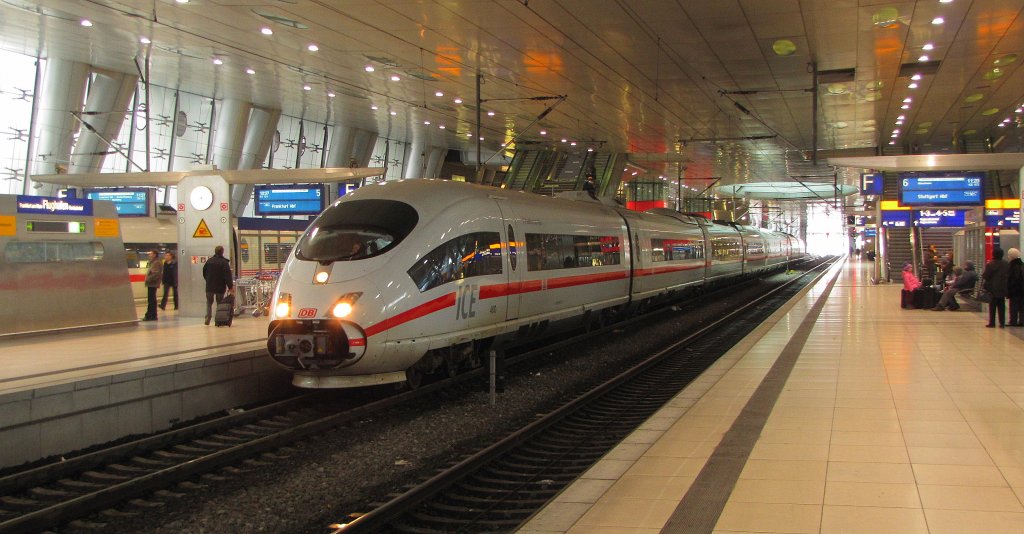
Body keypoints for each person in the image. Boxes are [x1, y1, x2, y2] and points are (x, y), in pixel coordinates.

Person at [203, 245, 234, 325]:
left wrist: (208, 280)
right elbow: (227, 276)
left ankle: (208, 317)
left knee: (209, 302)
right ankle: (218, 319)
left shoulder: (209, 261)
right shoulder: (224, 262)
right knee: (219, 303)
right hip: (220, 287)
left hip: (209, 286)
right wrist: (230, 287)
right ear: (222, 252)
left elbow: (204, 271)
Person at [982, 247, 1009, 328]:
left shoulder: (990, 264)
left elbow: (985, 276)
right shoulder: (1006, 264)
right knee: (1001, 306)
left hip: (992, 287)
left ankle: (992, 322)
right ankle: (1002, 323)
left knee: (992, 306)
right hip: (1003, 287)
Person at [143, 250, 163, 321]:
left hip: (152, 283)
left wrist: (148, 279)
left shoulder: (156, 262)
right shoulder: (153, 262)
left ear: (154, 255)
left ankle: (150, 315)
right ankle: (152, 315)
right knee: (152, 300)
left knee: (151, 300)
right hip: (152, 284)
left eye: (151, 254)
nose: (149, 255)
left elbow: (155, 274)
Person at [1007, 248, 1024, 326]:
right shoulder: (1022, 264)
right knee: (1022, 307)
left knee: (1013, 306)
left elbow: (1011, 279)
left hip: (1014, 290)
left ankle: (1013, 321)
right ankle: (1022, 321)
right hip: (1022, 290)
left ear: (1011, 256)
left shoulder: (1011, 266)